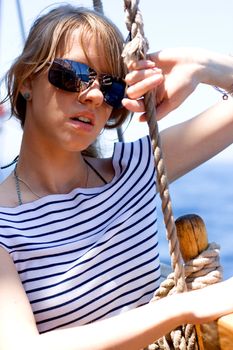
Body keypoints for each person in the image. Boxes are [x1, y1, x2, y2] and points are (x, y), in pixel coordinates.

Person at [0, 4, 233, 350]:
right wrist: (183, 309)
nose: (94, 96)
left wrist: (199, 64)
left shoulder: (134, 171)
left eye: (111, 87)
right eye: (72, 74)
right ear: (25, 82)